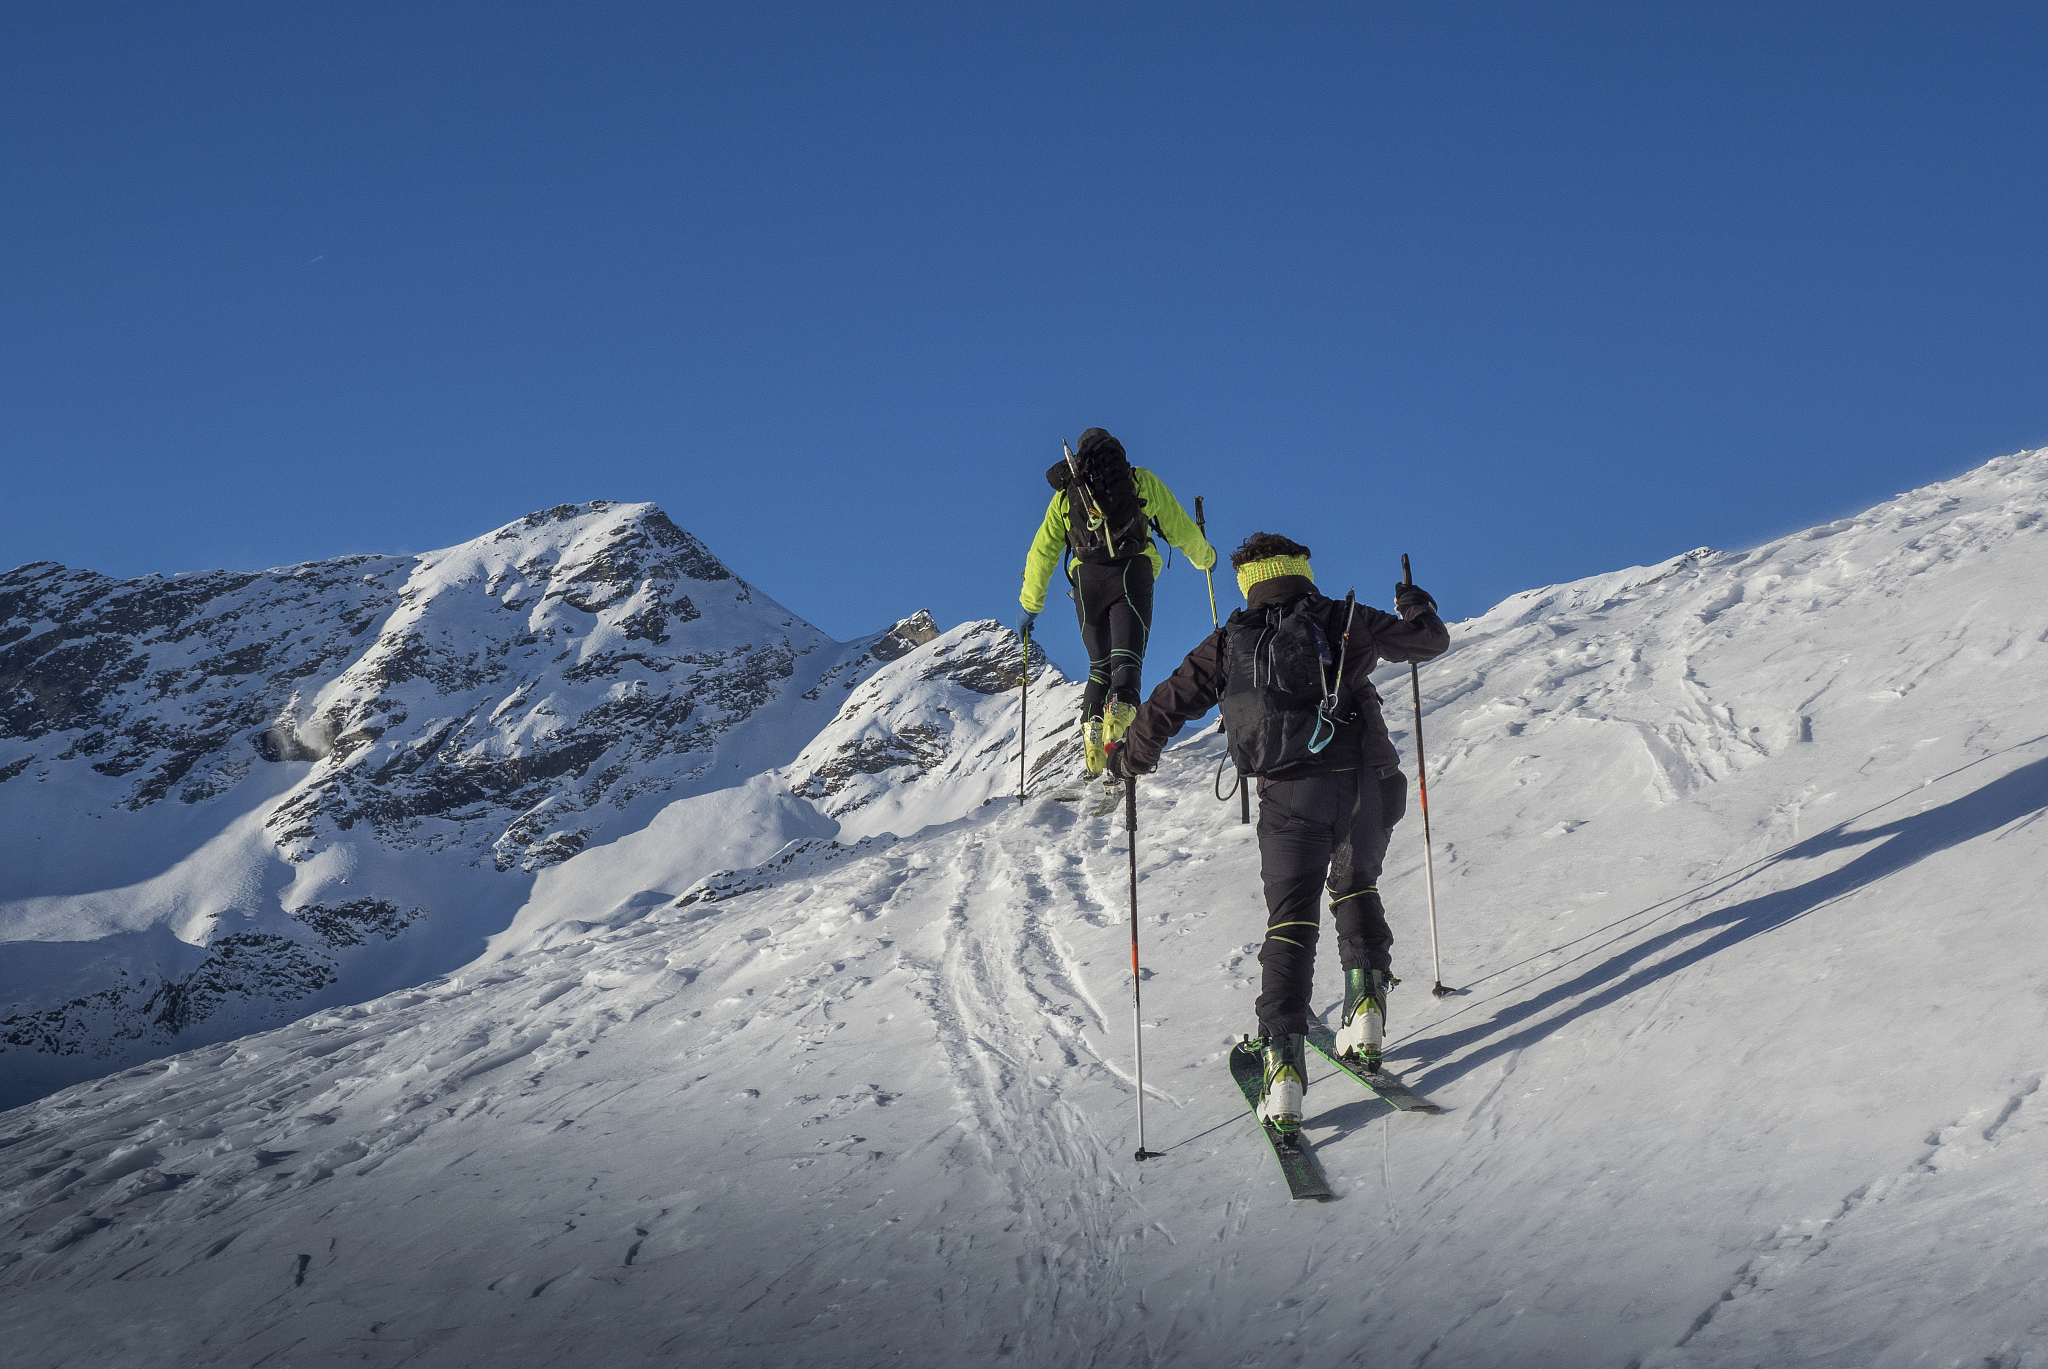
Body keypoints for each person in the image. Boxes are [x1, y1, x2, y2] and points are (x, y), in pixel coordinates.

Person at [1104, 532, 1448, 1133]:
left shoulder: (1232, 640)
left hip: (1291, 793)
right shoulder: (1344, 618)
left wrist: (1131, 757)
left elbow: (1167, 703)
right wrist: (1416, 606)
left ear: (1248, 581)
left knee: (1291, 917)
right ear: (1302, 571)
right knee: (1358, 884)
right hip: (1368, 780)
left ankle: (1284, 1071)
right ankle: (1366, 1011)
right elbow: (1429, 643)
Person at [1016, 428, 1215, 777]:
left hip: (1086, 584)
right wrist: (1205, 557)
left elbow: (1042, 553)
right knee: (1127, 665)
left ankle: (1093, 738)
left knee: (1098, 667)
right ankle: (1120, 729)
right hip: (1132, 575)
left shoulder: (1066, 497)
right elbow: (1177, 525)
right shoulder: (1140, 482)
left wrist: (1030, 606)